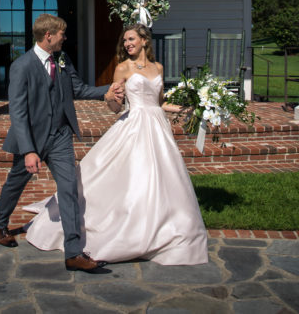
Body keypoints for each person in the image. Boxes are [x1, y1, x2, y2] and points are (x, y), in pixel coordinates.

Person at [24, 23, 209, 266]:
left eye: (131, 39)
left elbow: (159, 102)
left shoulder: (159, 67)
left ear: (144, 40)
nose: (127, 44)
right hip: (133, 125)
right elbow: (114, 107)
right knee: (132, 177)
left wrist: (188, 109)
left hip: (157, 127)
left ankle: (163, 225)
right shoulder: (122, 68)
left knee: (162, 178)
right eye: (125, 41)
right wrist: (112, 98)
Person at [0, 13, 125, 273]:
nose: (65, 37)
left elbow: (78, 89)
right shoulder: (22, 66)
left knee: (69, 188)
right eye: (62, 34)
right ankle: (0, 223)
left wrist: (106, 91)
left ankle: (74, 252)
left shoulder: (63, 60)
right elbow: (18, 113)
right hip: (31, 139)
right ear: (48, 36)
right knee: (15, 183)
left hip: (61, 136)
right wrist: (29, 150)